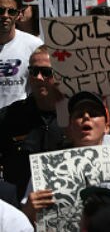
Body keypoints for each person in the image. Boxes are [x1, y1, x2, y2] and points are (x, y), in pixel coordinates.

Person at [23, 91, 110, 222]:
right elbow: (23, 224)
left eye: (93, 113)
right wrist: (29, 210)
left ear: (106, 127)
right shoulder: (45, 170)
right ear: (70, 128)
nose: (86, 117)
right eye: (79, 115)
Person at [0, 46, 66, 198]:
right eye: (33, 71)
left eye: (46, 72)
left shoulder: (74, 116)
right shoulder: (9, 117)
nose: (38, 77)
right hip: (20, 207)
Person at [0, 0, 43, 109]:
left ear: (19, 14)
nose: (5, 15)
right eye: (1, 10)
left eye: (12, 11)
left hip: (20, 122)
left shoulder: (34, 45)